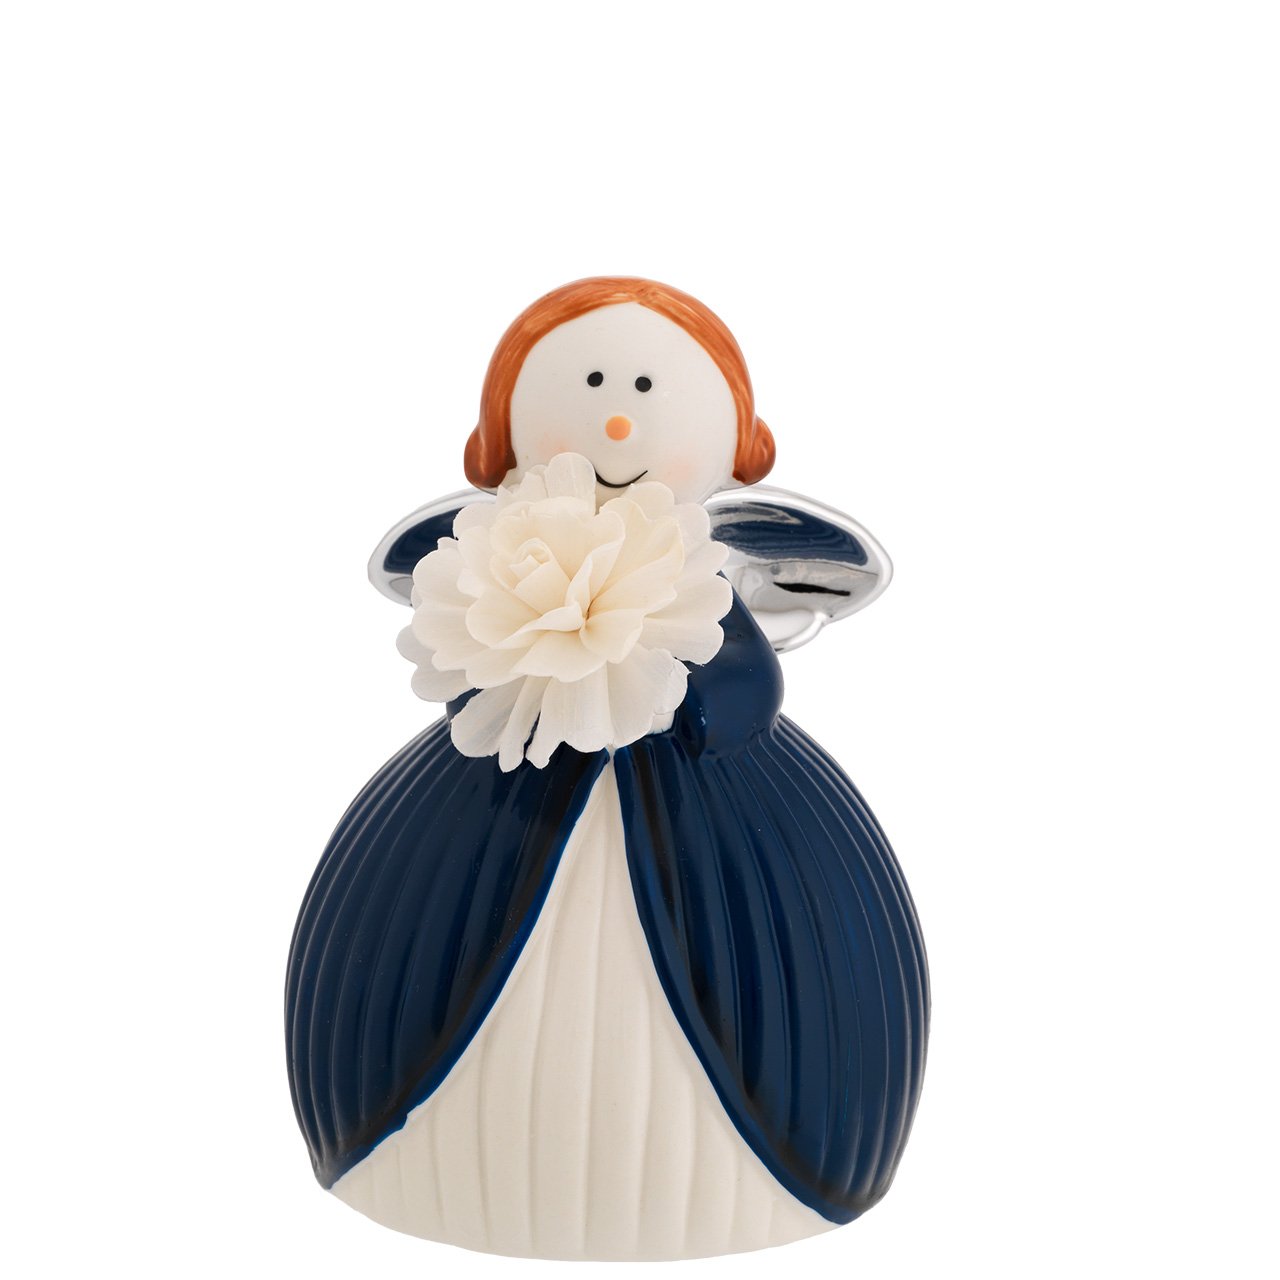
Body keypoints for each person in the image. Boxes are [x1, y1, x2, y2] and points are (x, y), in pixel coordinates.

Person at [286, 277, 929, 1260]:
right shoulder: (491, 567)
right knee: (444, 953)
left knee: (771, 972)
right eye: (590, 387)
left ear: (737, 439)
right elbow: (468, 681)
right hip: (506, 762)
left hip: (716, 798)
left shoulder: (710, 582)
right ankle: (402, 1146)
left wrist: (692, 696)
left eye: (644, 389)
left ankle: (781, 1165)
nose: (619, 420)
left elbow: (741, 689)